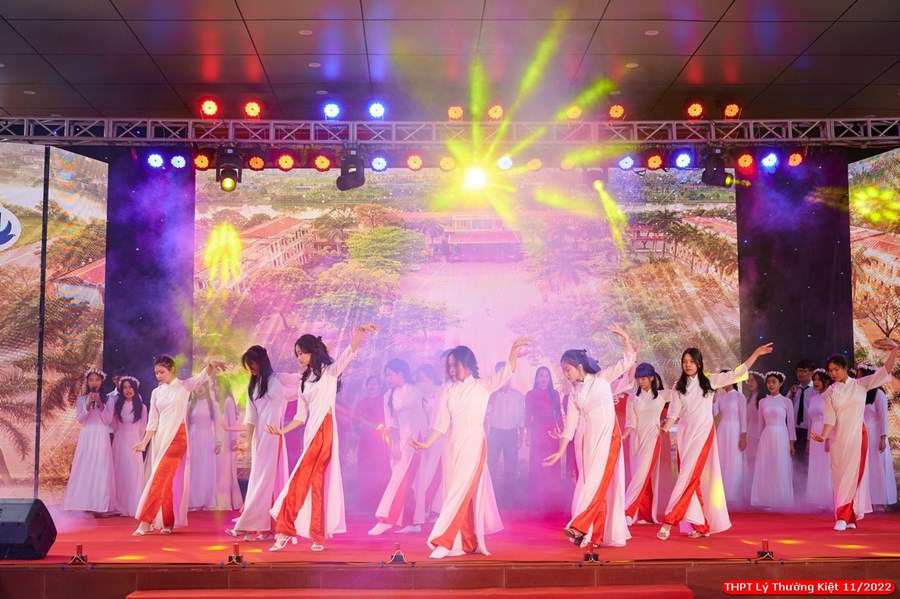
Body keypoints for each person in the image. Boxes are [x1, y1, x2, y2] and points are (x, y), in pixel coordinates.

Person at [412, 336, 531, 559]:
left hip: (473, 444)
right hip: (451, 446)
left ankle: (444, 540)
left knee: (460, 489)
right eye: (448, 366)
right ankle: (465, 542)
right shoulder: (447, 390)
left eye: (454, 365)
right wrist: (427, 443)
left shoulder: (482, 386)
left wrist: (513, 349)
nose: (451, 370)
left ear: (466, 364)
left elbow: (508, 371)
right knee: (454, 491)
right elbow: (441, 423)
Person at [267, 324, 378, 552]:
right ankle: (317, 536)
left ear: (313, 352)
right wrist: (282, 431)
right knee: (315, 483)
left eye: (302, 353)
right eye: (297, 354)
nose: (299, 357)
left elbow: (349, 353)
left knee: (301, 479)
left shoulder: (329, 372)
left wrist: (359, 332)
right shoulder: (302, 382)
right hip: (310, 433)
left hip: (325, 430)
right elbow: (300, 417)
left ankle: (285, 529)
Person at [657, 342, 773, 540]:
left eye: (691, 361)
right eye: (684, 362)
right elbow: (674, 413)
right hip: (685, 434)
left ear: (699, 363)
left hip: (702, 434)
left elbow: (737, 374)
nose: (687, 365)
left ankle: (669, 521)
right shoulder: (679, 386)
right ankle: (701, 524)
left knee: (687, 476)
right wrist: (664, 429)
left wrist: (755, 353)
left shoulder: (709, 381)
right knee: (692, 477)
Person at [544, 325, 635, 549]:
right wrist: (560, 451)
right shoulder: (574, 395)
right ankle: (593, 534)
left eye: (567, 369)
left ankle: (580, 526)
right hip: (589, 442)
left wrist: (625, 338)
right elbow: (570, 427)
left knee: (596, 482)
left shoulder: (602, 379)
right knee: (592, 484)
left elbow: (626, 362)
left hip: (609, 437)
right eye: (563, 371)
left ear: (579, 366)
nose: (565, 374)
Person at [132, 356, 225, 535]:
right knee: (164, 482)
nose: (158, 376)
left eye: (162, 372)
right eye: (156, 373)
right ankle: (168, 522)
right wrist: (144, 442)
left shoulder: (184, 386)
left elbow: (201, 378)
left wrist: (210, 365)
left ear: (172, 369)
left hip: (178, 438)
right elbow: (152, 422)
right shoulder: (156, 393)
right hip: (160, 439)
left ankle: (146, 521)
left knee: (160, 479)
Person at [810, 346, 897, 531]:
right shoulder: (830, 393)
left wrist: (895, 350)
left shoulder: (860, 385)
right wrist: (823, 436)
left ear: (846, 368)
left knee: (852, 474)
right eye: (830, 370)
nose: (833, 374)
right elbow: (829, 420)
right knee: (839, 478)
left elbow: (885, 371)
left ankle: (842, 516)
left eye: (836, 369)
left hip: (858, 435)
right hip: (837, 439)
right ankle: (850, 518)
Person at [226, 346, 289, 541]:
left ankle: (248, 525)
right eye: (248, 365)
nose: (250, 368)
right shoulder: (252, 386)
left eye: (252, 363)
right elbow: (251, 417)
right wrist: (248, 442)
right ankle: (263, 527)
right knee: (258, 480)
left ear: (262, 361)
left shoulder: (278, 380)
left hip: (274, 436)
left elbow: (303, 384)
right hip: (259, 438)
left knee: (265, 481)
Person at [370, 358, 430, 535]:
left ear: (400, 373)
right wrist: (395, 446)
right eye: (386, 375)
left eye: (390, 375)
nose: (387, 378)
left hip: (416, 440)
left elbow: (439, 393)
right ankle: (412, 522)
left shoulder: (418, 389)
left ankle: (386, 519)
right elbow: (392, 424)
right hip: (400, 441)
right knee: (405, 480)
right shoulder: (388, 396)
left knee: (402, 478)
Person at [63, 368, 116, 516]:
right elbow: (81, 419)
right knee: (85, 468)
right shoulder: (81, 399)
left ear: (102, 382)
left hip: (101, 435)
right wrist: (88, 404)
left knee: (100, 468)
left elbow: (108, 420)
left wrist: (100, 403)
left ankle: (100, 505)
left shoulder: (109, 400)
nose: (94, 383)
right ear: (87, 382)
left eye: (97, 380)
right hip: (87, 436)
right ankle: (83, 504)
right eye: (91, 380)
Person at [622, 362, 668, 525]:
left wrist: (666, 424)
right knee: (638, 475)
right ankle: (643, 514)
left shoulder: (663, 395)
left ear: (652, 378)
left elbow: (682, 400)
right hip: (635, 439)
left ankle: (626, 512)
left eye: (643, 378)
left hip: (652, 438)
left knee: (640, 475)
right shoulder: (632, 398)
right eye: (638, 379)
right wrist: (623, 437)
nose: (640, 382)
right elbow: (631, 422)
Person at [750, 371, 796, 510]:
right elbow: (761, 424)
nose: (771, 385)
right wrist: (759, 441)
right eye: (769, 382)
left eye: (774, 382)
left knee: (780, 466)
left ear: (780, 384)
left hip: (781, 436)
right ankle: (766, 499)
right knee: (766, 466)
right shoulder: (763, 402)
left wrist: (791, 444)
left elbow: (791, 425)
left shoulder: (786, 401)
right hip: (766, 436)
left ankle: (781, 499)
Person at [486, 361, 525, 508]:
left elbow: (521, 417)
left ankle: (508, 497)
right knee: (491, 464)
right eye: (499, 373)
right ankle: (489, 497)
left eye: (504, 373)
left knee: (510, 466)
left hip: (511, 433)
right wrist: (493, 397)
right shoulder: (490, 394)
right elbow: (486, 413)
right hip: (495, 433)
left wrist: (521, 436)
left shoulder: (517, 395)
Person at [858, 364, 898, 510]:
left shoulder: (879, 394)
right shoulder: (861, 393)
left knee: (877, 466)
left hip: (876, 434)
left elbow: (883, 418)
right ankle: (867, 500)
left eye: (860, 375)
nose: (858, 378)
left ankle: (880, 500)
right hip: (863, 433)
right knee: (866, 466)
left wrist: (883, 437)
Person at [352, 375, 391, 514]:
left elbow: (389, 420)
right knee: (365, 470)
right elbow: (356, 421)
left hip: (381, 442)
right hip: (365, 442)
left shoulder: (384, 401)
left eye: (374, 383)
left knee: (380, 470)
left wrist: (380, 427)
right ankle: (364, 503)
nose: (372, 386)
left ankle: (380, 503)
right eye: (369, 384)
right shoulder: (361, 403)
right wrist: (363, 425)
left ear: (379, 386)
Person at [525, 366, 561, 511]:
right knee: (537, 463)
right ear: (536, 378)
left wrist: (561, 432)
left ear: (550, 378)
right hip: (537, 432)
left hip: (552, 433)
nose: (544, 378)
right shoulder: (530, 394)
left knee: (552, 464)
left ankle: (553, 500)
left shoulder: (555, 394)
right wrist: (528, 435)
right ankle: (536, 501)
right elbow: (528, 416)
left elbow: (558, 414)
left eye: (546, 375)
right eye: (541, 375)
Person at [111, 376, 146, 517]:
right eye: (124, 387)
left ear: (135, 388)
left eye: (130, 387)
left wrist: (140, 443)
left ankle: (134, 505)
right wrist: (118, 439)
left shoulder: (142, 407)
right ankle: (119, 505)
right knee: (120, 473)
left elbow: (143, 428)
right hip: (120, 441)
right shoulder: (117, 405)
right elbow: (114, 426)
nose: (128, 390)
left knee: (134, 473)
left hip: (135, 441)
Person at [713, 372, 748, 507]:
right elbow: (714, 412)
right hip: (723, 429)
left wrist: (743, 436)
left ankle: (734, 494)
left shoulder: (739, 396)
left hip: (735, 429)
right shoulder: (720, 396)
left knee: (734, 460)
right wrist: (713, 397)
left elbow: (743, 417)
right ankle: (723, 494)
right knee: (723, 459)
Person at [187, 379, 220, 510]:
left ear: (206, 387)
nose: (200, 388)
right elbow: (186, 425)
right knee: (193, 470)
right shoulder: (189, 405)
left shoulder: (214, 404)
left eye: (202, 385)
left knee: (206, 469)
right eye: (197, 386)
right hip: (192, 438)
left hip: (207, 439)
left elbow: (218, 425)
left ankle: (207, 501)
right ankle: (192, 501)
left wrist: (218, 442)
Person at [805, 368, 833, 510]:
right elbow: (810, 421)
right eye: (814, 380)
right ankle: (818, 499)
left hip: (825, 432)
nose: (815, 382)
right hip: (814, 433)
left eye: (818, 380)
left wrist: (828, 437)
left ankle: (829, 499)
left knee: (826, 466)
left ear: (826, 381)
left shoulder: (830, 396)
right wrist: (808, 440)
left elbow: (833, 419)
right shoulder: (814, 398)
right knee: (816, 466)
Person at [787, 359, 815, 485]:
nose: (801, 374)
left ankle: (807, 487)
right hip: (795, 431)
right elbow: (785, 406)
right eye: (798, 371)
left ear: (811, 372)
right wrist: (791, 395)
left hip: (809, 431)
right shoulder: (794, 389)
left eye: (804, 371)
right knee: (795, 460)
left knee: (808, 460)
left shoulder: (815, 389)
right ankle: (796, 487)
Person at [216, 392, 243, 511]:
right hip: (219, 439)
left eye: (216, 385)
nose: (215, 387)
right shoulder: (217, 402)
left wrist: (233, 440)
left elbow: (232, 421)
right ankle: (218, 500)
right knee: (219, 470)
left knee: (226, 470)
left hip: (226, 440)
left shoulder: (228, 401)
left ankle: (226, 501)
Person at [742, 371, 766, 502]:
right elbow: (746, 419)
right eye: (748, 380)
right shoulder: (748, 399)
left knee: (760, 460)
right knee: (750, 459)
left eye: (753, 380)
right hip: (750, 431)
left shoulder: (764, 399)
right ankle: (750, 491)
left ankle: (761, 491)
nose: (750, 383)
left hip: (761, 432)